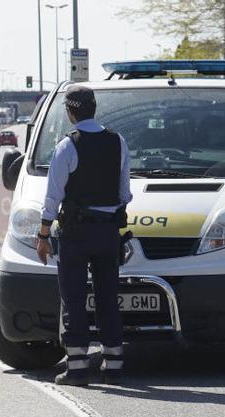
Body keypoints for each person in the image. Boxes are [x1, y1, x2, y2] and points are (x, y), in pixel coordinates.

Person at [36, 85, 133, 386]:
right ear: (93, 108)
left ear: (70, 111)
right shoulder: (118, 142)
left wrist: (42, 234)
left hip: (76, 233)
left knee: (74, 298)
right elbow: (125, 193)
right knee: (107, 297)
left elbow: (53, 197)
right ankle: (114, 364)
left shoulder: (67, 146)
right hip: (107, 231)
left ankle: (77, 368)